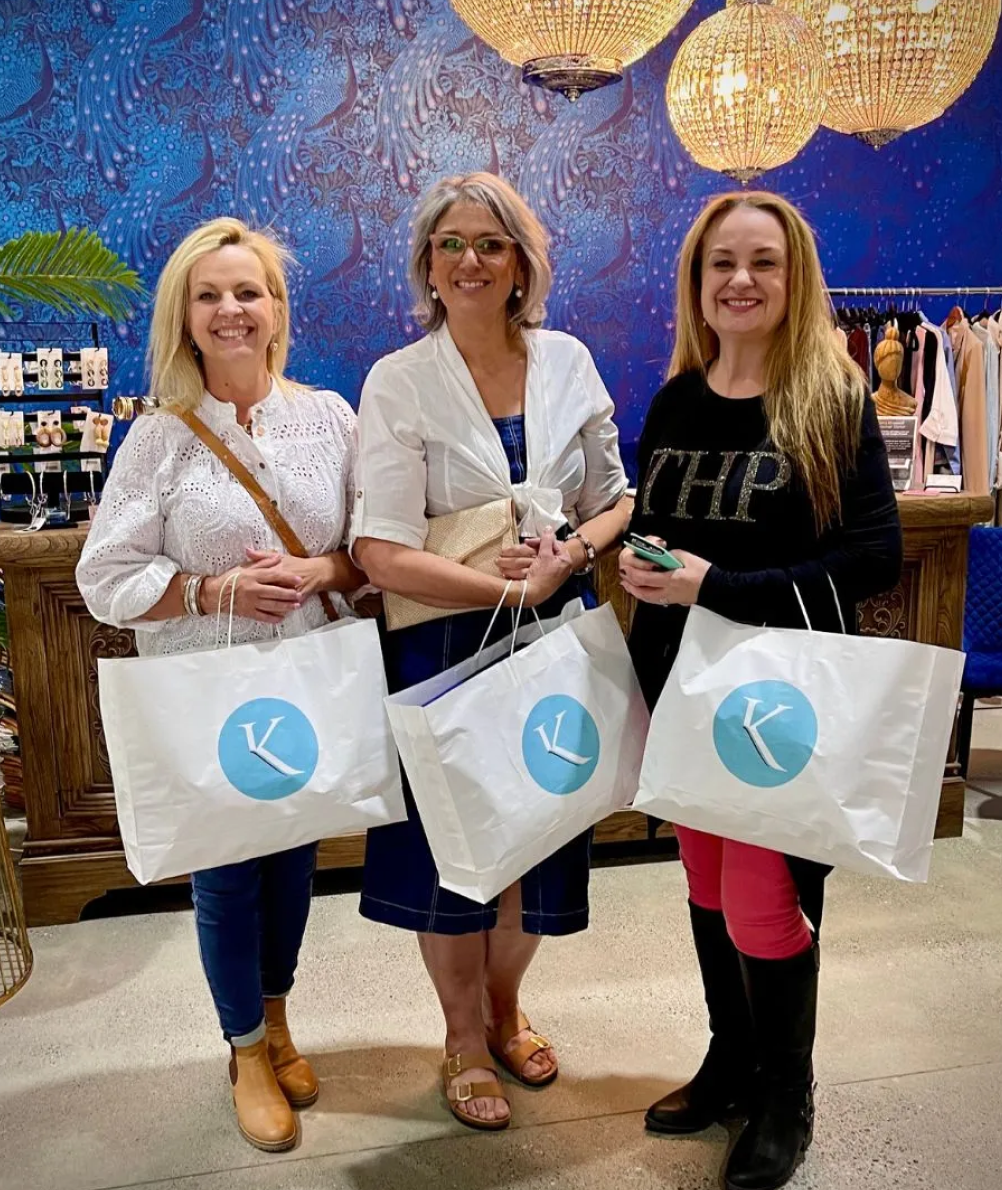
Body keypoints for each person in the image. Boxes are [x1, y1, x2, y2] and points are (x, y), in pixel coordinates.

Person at [620, 192, 902, 1190]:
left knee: (764, 900)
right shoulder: (675, 400)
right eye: (720, 264)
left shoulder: (831, 395)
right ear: (698, 283)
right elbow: (659, 528)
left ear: (793, 279)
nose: (741, 280)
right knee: (706, 885)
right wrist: (643, 572)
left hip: (784, 703)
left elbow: (876, 555)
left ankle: (789, 1092)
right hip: (685, 693)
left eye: (763, 263)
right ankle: (730, 1061)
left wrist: (717, 585)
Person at [77, 217, 365, 1153]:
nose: (231, 309)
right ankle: (244, 1048)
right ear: (186, 319)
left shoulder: (331, 418)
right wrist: (211, 587)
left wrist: (322, 574)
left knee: (292, 860)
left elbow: (371, 548)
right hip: (206, 692)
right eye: (210, 296)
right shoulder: (159, 439)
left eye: (249, 292)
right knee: (227, 872)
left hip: (306, 685)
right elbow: (102, 579)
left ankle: (276, 1016)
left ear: (278, 309)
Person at [351, 172, 631, 1131]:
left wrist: (571, 558)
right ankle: (462, 1038)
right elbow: (379, 551)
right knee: (456, 852)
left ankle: (507, 1009)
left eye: (491, 243)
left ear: (522, 264)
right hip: (446, 640)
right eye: (450, 244)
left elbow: (615, 499)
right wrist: (508, 583)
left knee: (540, 838)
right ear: (428, 265)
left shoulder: (569, 361)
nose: (469, 260)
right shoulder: (398, 379)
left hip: (557, 633)